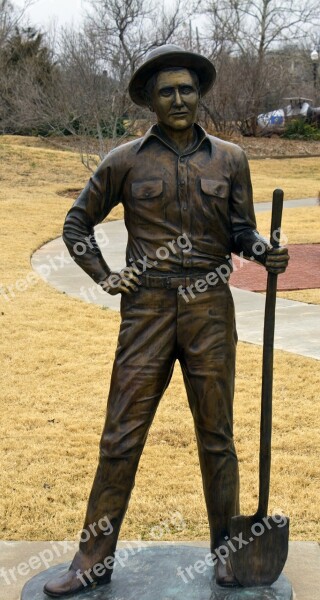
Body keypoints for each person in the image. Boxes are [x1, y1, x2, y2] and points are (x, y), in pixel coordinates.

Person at [43, 45, 289, 597]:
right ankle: (92, 560)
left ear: (199, 94)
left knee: (217, 437)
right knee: (120, 438)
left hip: (209, 312)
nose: (179, 99)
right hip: (146, 312)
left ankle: (227, 556)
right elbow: (77, 223)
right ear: (151, 101)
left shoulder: (230, 159)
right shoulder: (125, 160)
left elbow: (240, 230)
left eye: (187, 89)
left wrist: (260, 249)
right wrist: (106, 275)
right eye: (167, 91)